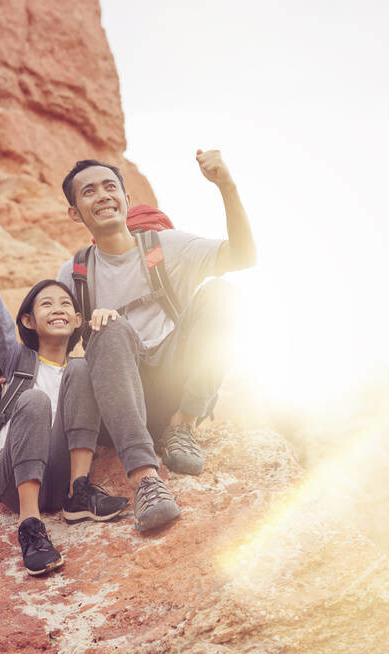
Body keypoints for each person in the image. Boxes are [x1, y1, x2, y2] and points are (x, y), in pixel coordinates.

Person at [56, 148, 256, 532]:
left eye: (110, 187)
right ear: (75, 212)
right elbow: (53, 351)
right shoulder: (75, 272)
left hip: (171, 385)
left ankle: (183, 426)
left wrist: (226, 187)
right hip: (118, 404)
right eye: (89, 192)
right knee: (109, 329)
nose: (103, 196)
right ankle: (146, 481)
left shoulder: (166, 247)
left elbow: (244, 256)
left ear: (126, 200)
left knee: (223, 294)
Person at [0, 206, 128, 576]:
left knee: (80, 366)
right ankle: (30, 527)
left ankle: (80, 491)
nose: (57, 309)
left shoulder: (83, 371)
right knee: (34, 399)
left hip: (57, 476)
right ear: (28, 319)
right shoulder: (15, 360)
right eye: (46, 304)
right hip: (11, 479)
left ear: (77, 320)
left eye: (65, 305)